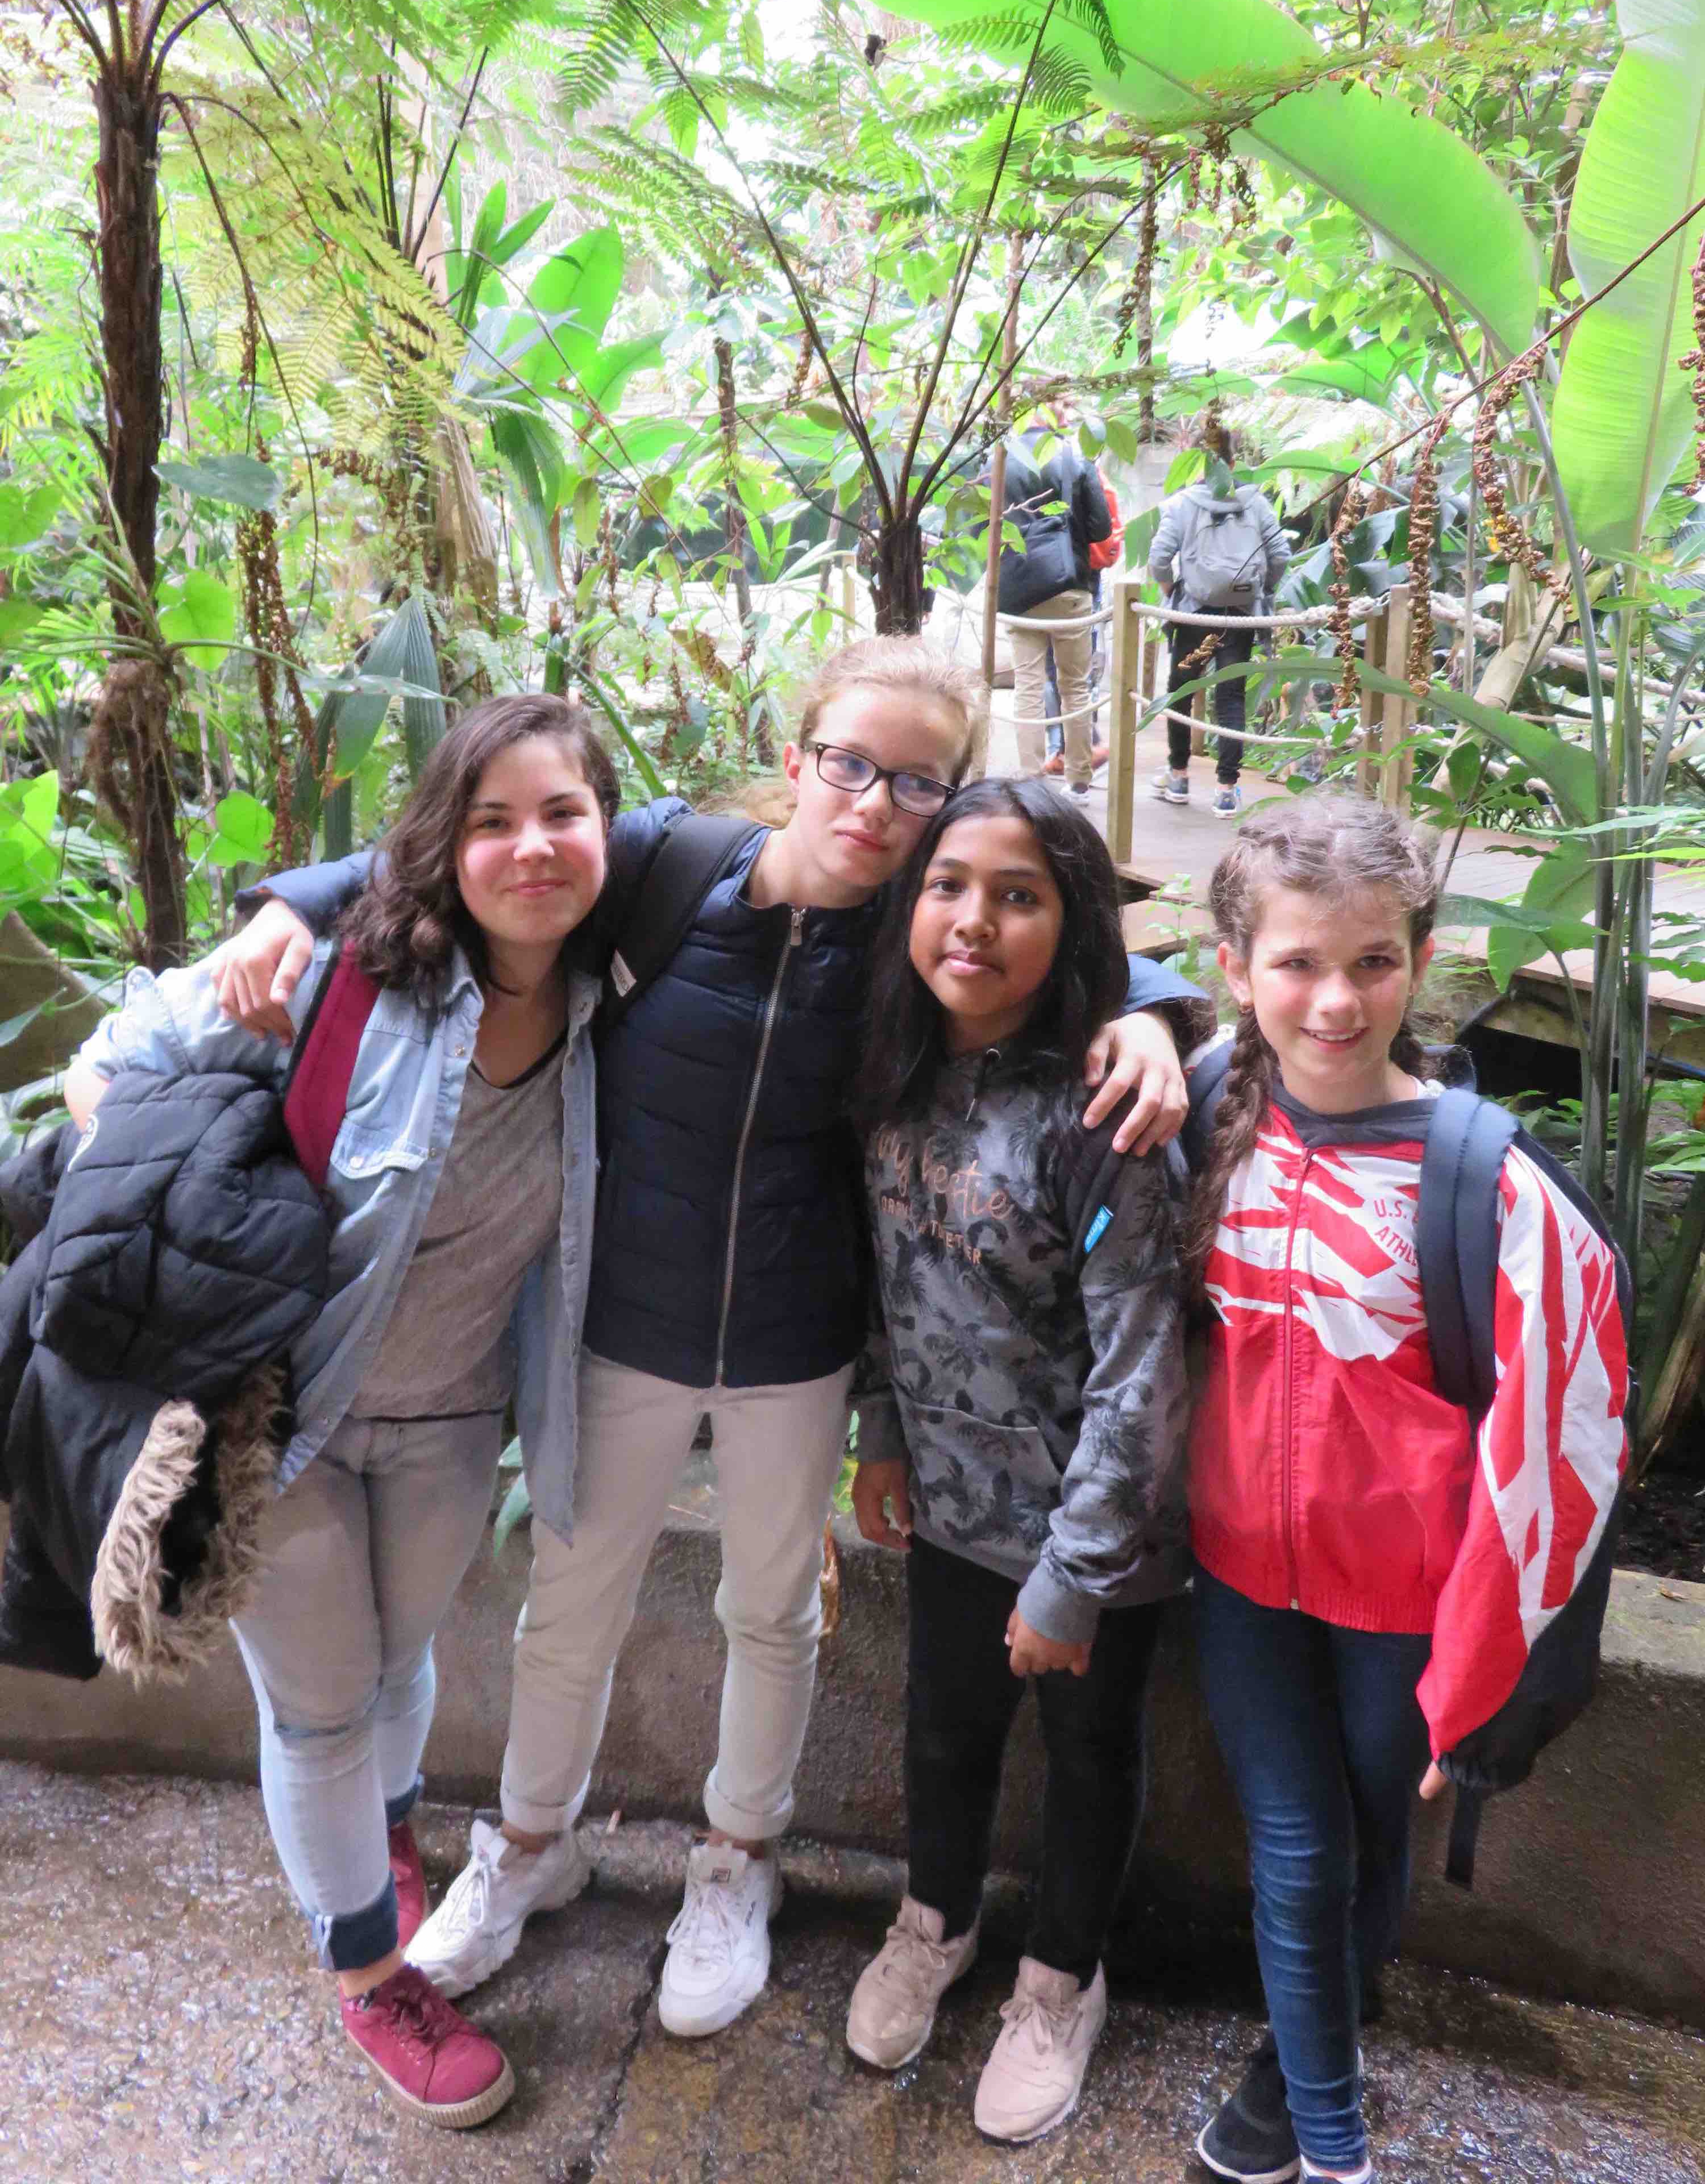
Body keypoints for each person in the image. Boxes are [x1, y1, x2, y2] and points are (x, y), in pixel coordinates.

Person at [208, 637, 1195, 2046]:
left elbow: (1072, 952)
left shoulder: (916, 938)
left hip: (798, 1336)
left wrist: (1154, 1019)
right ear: (798, 759)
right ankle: (529, 1843)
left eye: (917, 781)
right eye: (849, 763)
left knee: (771, 1609)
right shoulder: (666, 868)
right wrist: (284, 906)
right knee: (572, 1602)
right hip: (626, 1320)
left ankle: (736, 1862)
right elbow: (471, 859)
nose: (875, 802)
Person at [62, 694, 621, 2130]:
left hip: (453, 1416)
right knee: (319, 1709)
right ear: (444, 841)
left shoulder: (620, 993)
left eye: (562, 812)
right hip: (280, 1420)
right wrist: (167, 1188)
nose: (532, 845)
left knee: (397, 1665)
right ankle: (371, 1971)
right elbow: (106, 1061)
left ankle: (379, 1839)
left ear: (610, 829)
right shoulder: (340, 975)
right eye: (491, 820)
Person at [1183, 797, 1628, 2184]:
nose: (1336, 1000)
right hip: (1236, 1573)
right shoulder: (1197, 1111)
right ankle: (1336, 2145)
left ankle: (1297, 2057)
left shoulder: (1486, 1179)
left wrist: (1484, 1667)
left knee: (1372, 1841)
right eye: (1297, 963)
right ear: (1236, 968)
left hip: (1409, 1601)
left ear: (1419, 961)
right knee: (1298, 1849)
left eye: (1373, 962)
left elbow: (1563, 1442)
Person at [845, 777, 1203, 2143]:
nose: (974, 921)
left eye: (1018, 895)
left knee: (1088, 1750)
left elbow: (1140, 1365)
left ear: (1075, 920)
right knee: (944, 1729)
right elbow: (886, 1282)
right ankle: (933, 1919)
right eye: (947, 886)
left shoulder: (1105, 1118)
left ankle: (1060, 1978)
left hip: (1091, 1527)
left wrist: (1075, 1570)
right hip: (949, 1502)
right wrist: (883, 1433)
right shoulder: (893, 1073)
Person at [1147, 424, 1289, 817]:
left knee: (1180, 691)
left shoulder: (1182, 504)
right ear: (1233, 462)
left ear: (1197, 462)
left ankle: (1178, 776)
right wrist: (1262, 590)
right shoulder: (1256, 503)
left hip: (1192, 611)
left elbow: (1159, 558)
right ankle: (1227, 789)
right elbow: (1280, 555)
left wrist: (1169, 589)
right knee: (1230, 698)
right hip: (1239, 614)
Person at [988, 414, 1111, 793]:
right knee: (1075, 685)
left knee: (1028, 685)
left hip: (1019, 588)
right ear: (1053, 415)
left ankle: (1031, 781)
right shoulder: (1074, 457)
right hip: (1069, 585)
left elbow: (981, 528)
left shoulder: (998, 459)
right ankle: (1079, 778)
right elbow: (1101, 528)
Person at [1043, 467, 1124, 775]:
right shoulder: (1088, 469)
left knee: (1061, 671)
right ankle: (1072, 749)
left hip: (1060, 576)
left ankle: (1082, 748)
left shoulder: (1054, 466)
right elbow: (1103, 527)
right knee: (1074, 670)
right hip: (1086, 576)